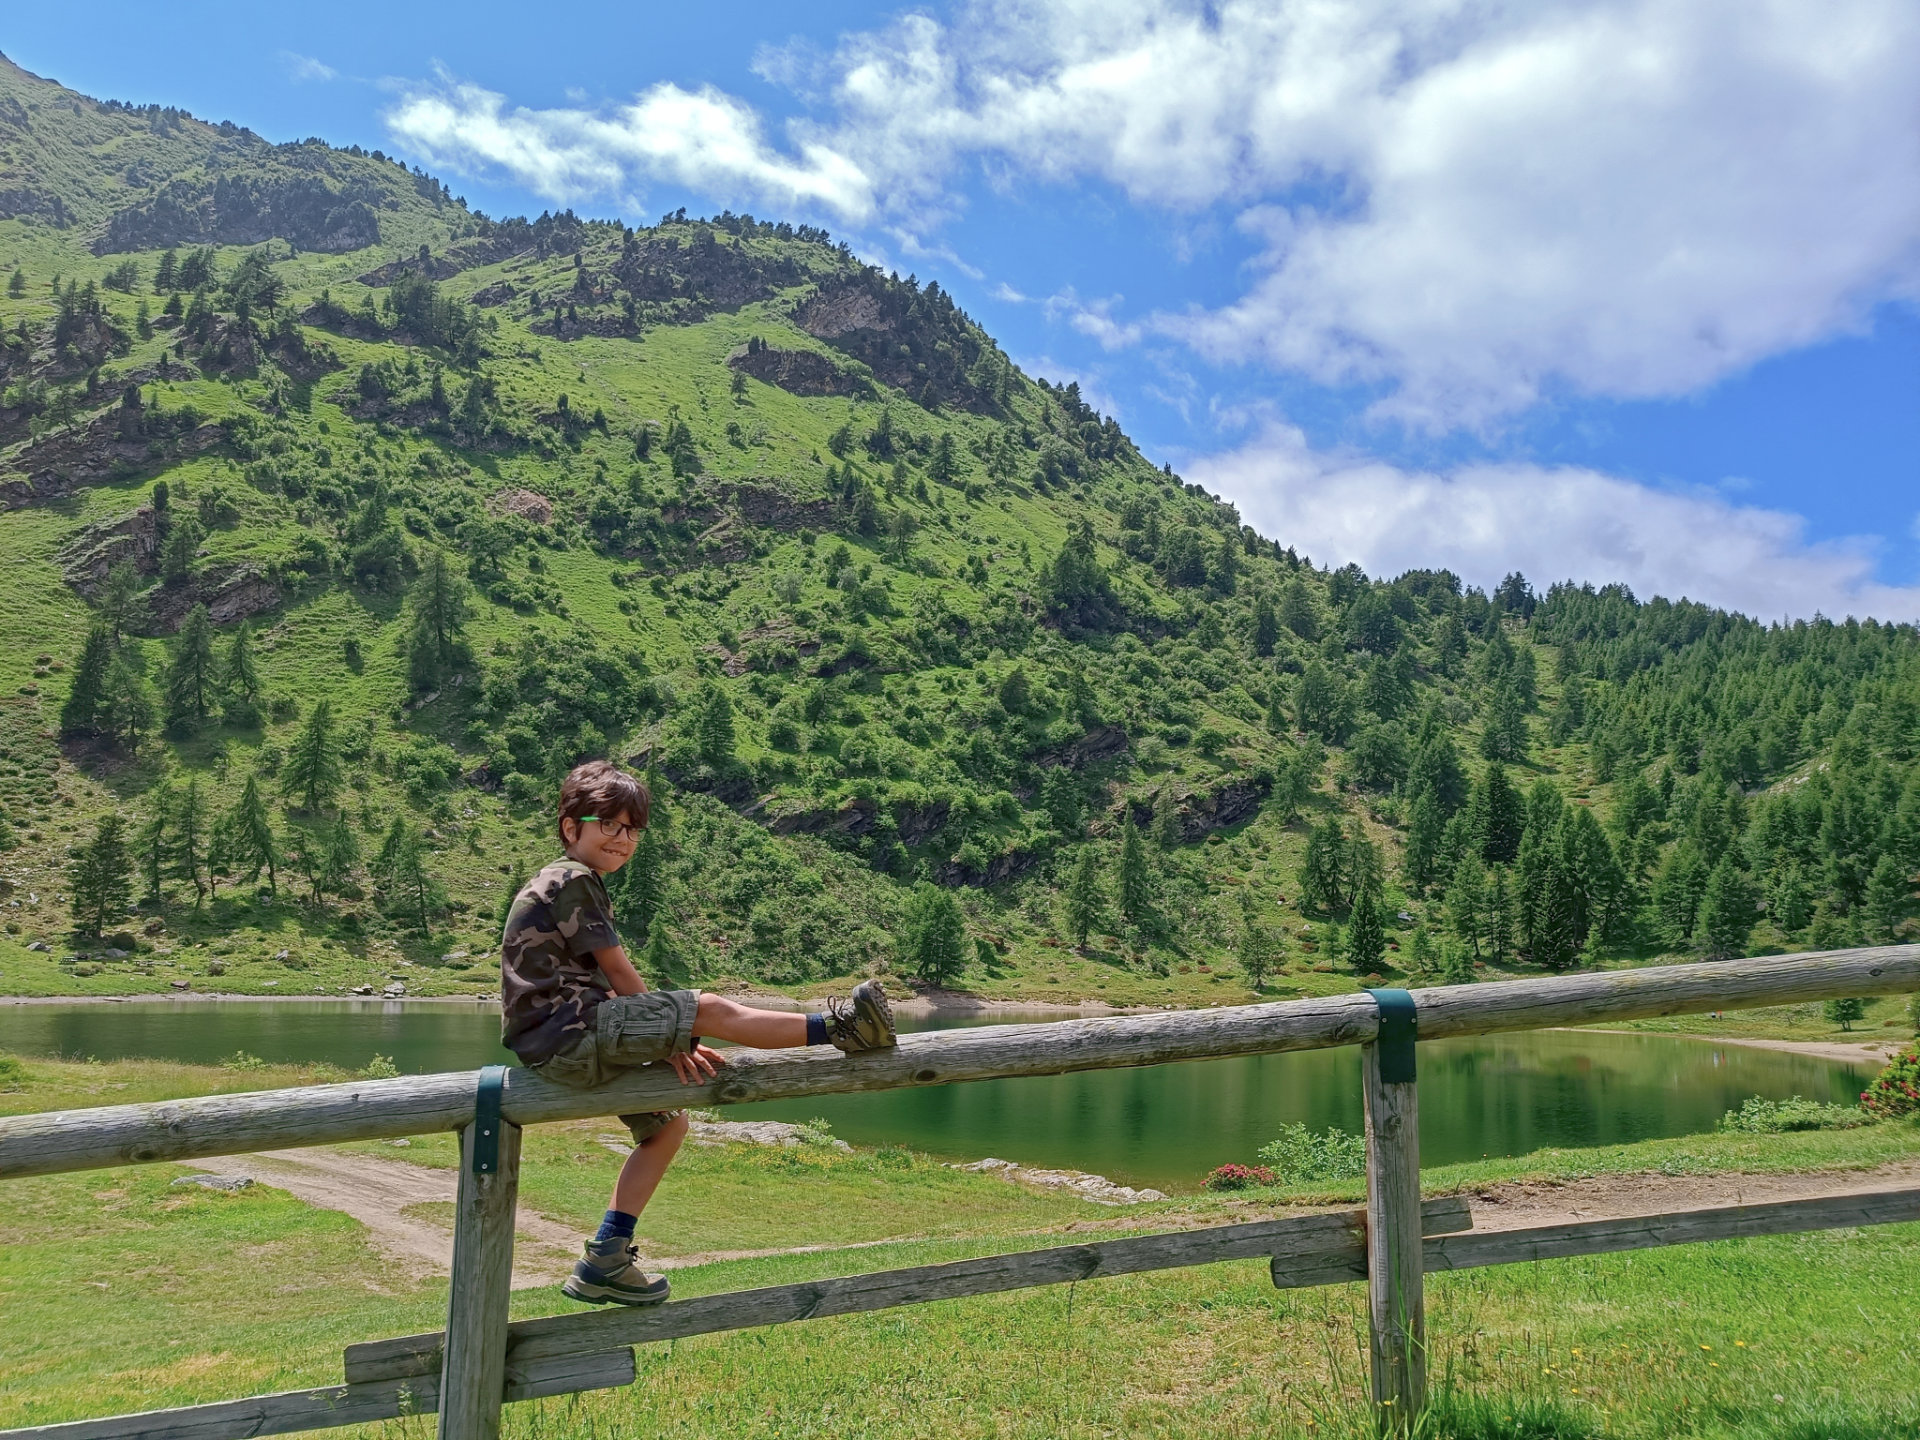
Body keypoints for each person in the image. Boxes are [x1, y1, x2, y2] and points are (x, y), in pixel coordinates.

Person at [500, 759, 897, 1307]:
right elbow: (616, 972)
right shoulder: (572, 879)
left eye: (633, 829)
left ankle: (606, 1255)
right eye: (609, 824)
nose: (623, 838)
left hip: (563, 1046)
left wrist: (666, 1039)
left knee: (667, 1126)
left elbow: (599, 984)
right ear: (572, 827)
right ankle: (843, 1028)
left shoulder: (567, 882)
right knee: (707, 1007)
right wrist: (677, 1031)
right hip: (573, 1033)